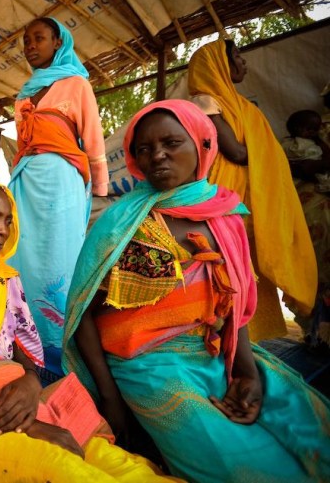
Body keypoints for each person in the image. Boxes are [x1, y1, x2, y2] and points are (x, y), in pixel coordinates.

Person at [62, 100, 330, 483]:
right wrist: (109, 398)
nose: (157, 156)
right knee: (240, 463)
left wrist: (247, 372)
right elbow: (84, 311)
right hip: (146, 364)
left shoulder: (224, 215)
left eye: (172, 142)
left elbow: (232, 302)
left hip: (215, 351)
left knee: (304, 424)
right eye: (143, 149)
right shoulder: (123, 222)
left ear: (203, 145)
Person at [0, 179, 179, 482]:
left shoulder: (3, 280)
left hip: (19, 406)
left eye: (7, 220)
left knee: (113, 460)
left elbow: (21, 352)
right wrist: (24, 425)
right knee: (58, 466)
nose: (3, 230)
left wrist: (29, 382)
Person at [188, 39, 317, 341]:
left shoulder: (237, 103)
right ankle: (227, 337)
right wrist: (273, 152)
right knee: (228, 264)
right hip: (225, 193)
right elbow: (235, 151)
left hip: (241, 192)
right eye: (237, 57)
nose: (243, 63)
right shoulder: (205, 100)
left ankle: (248, 335)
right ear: (219, 64)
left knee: (245, 264)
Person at [8, 17, 108, 376]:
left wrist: (99, 190)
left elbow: (92, 137)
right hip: (26, 180)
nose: (30, 45)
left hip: (62, 181)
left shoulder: (77, 84)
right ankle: (26, 346)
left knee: (60, 262)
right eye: (25, 40)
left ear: (58, 42)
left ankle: (60, 355)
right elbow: (22, 145)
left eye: (39, 38)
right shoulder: (22, 95)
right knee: (23, 261)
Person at [280, 109, 330, 352]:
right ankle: (314, 333)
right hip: (307, 218)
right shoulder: (293, 146)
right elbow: (309, 168)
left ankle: (319, 333)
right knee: (310, 275)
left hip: (317, 221)